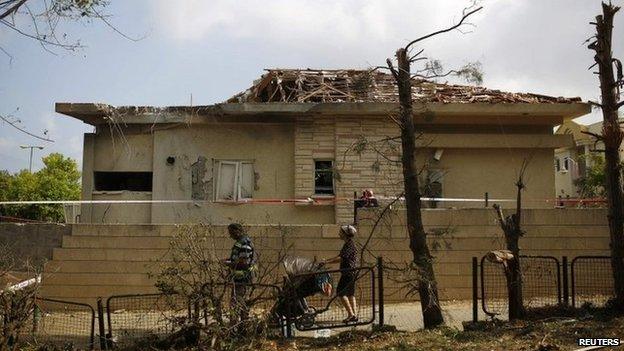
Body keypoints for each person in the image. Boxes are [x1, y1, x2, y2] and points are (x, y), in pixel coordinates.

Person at [222, 223, 256, 324]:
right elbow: (238, 258)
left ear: (237, 231)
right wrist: (228, 260)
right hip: (238, 278)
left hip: (243, 278)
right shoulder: (240, 242)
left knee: (236, 301)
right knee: (236, 301)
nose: (230, 235)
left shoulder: (244, 243)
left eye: (231, 232)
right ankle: (239, 324)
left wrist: (229, 264)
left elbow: (244, 263)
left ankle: (241, 323)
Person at [323, 224, 359, 323]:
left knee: (340, 293)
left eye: (341, 232)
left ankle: (351, 315)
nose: (339, 234)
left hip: (348, 272)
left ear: (345, 234)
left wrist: (327, 262)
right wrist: (327, 261)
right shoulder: (348, 244)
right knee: (350, 294)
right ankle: (354, 316)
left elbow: (341, 258)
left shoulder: (349, 245)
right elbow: (339, 256)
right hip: (351, 272)